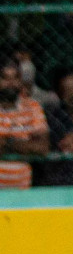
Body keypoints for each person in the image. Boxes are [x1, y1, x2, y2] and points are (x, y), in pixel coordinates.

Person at [0, 54, 47, 190]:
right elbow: (32, 146)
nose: (10, 83)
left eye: (15, 78)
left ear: (21, 80)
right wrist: (23, 144)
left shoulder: (32, 107)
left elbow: (42, 147)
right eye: (4, 78)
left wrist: (8, 144)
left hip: (23, 192)